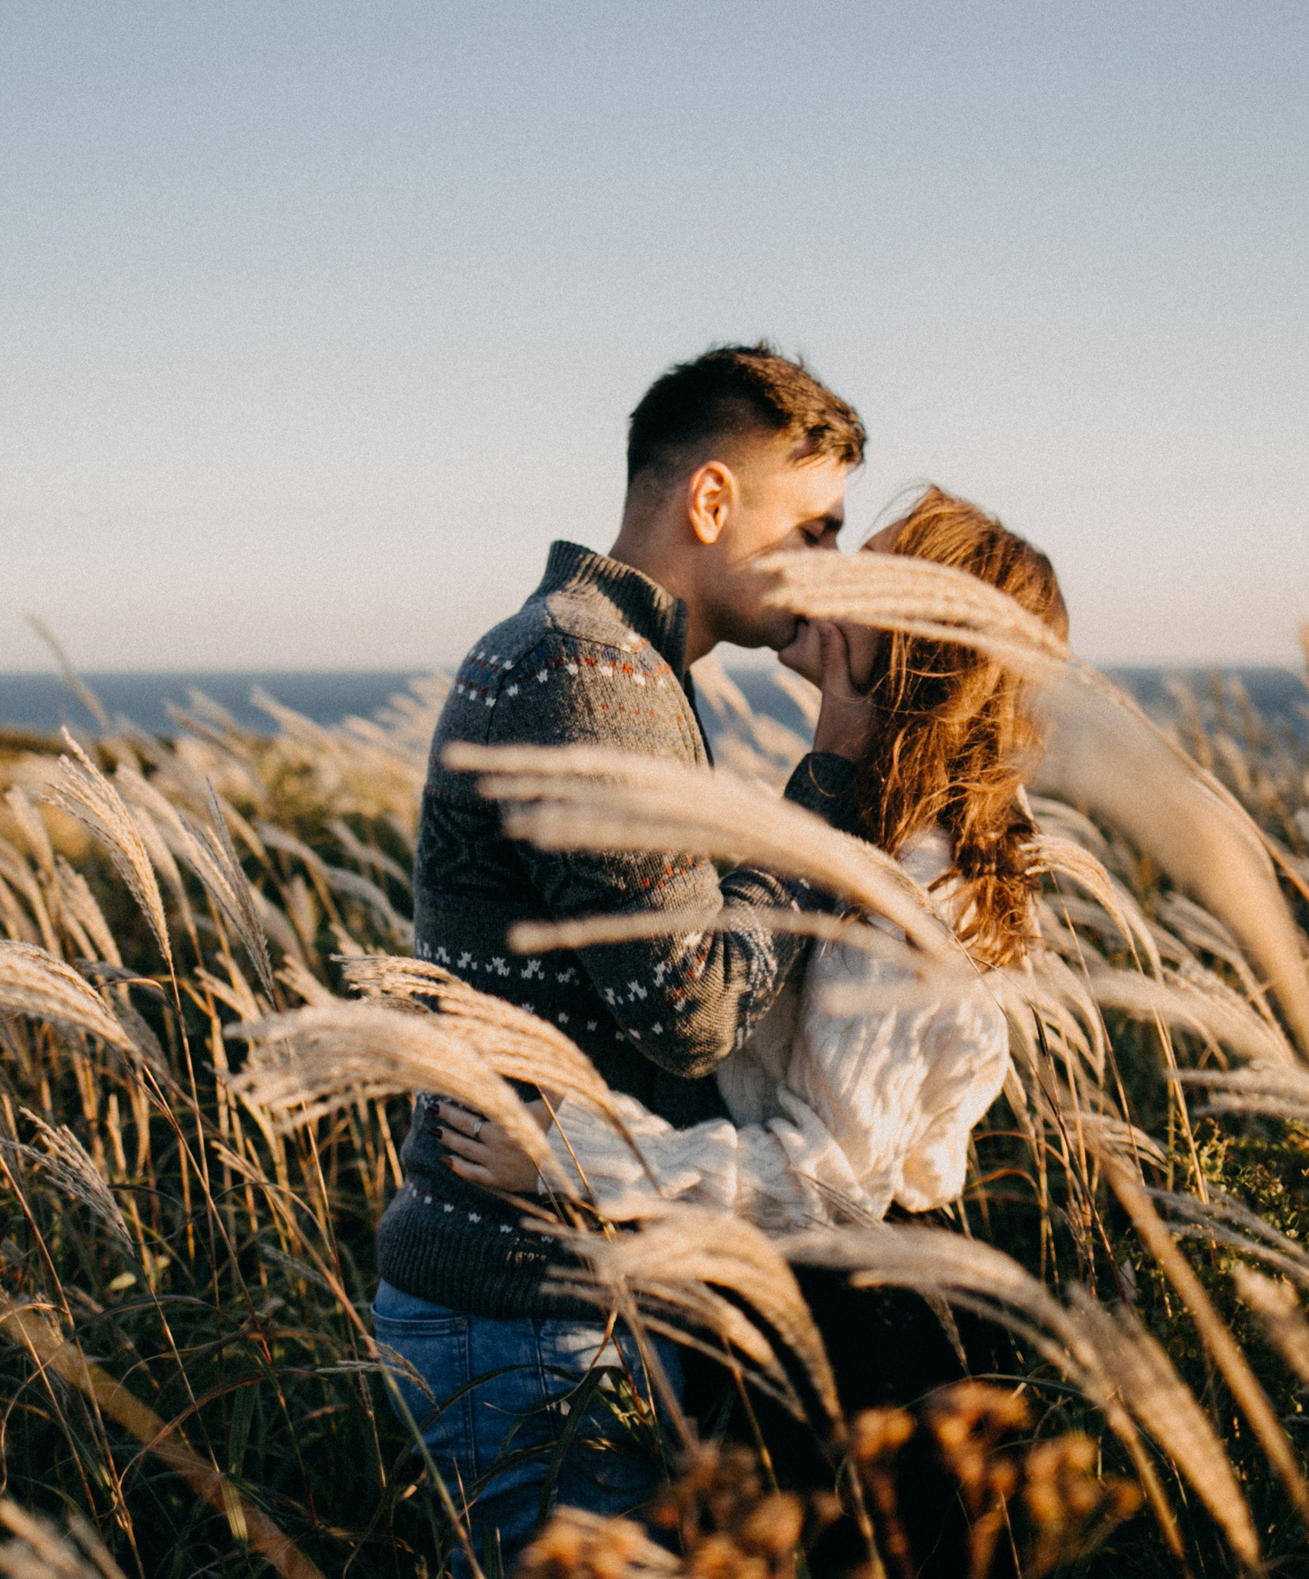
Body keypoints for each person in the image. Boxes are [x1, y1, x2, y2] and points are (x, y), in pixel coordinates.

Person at [373, 344, 881, 1571]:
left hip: (547, 1298)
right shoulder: (589, 669)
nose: (830, 571)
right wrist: (833, 776)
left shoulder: (616, 661)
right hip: (528, 1316)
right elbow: (693, 1008)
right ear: (711, 502)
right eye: (811, 528)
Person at [438, 486, 1066, 1461]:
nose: (823, 575)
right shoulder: (872, 839)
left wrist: (568, 1158)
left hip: (851, 1344)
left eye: (867, 573)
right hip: (782, 1318)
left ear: (921, 641)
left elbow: (829, 1181)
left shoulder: (915, 894)